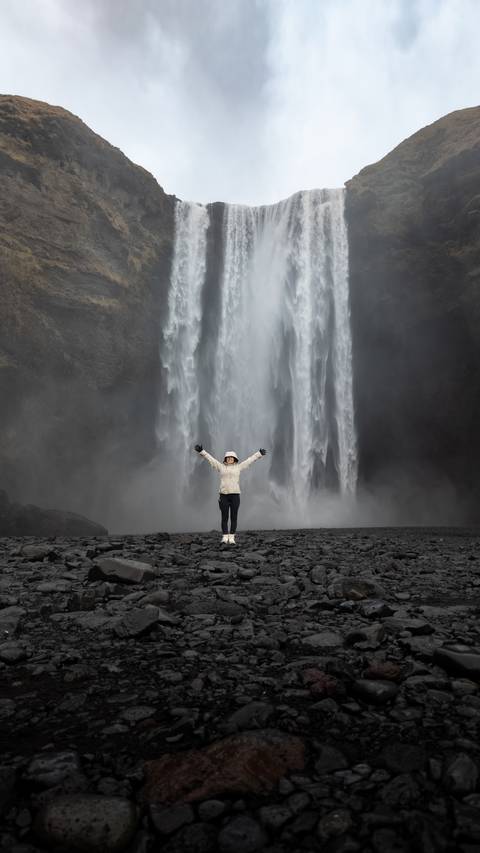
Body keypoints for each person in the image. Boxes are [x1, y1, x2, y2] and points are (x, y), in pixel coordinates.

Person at [194, 444, 267, 544]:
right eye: (227, 458)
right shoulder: (221, 467)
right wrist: (202, 451)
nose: (229, 459)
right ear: (225, 459)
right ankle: (225, 537)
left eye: (231, 458)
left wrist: (259, 454)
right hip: (223, 495)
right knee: (224, 517)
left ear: (235, 459)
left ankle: (232, 537)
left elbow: (249, 461)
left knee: (234, 516)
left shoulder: (239, 467)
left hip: (235, 495)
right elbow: (211, 459)